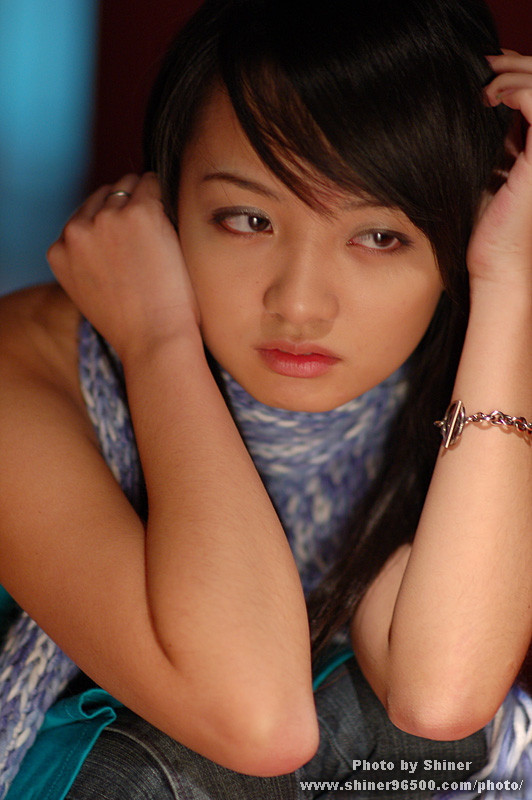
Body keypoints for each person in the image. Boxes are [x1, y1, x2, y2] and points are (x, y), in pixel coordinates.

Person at [1, 0, 532, 797]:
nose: (300, 304)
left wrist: (509, 279)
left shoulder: (464, 379)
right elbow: (256, 720)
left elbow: (440, 696)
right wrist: (159, 342)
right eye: (248, 218)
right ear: (163, 202)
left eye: (379, 236)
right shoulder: (24, 365)